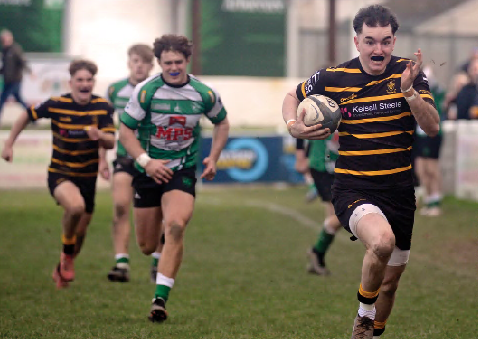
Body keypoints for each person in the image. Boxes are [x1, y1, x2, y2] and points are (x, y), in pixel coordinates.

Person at [282, 5, 440, 339]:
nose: (378, 50)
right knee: (382, 243)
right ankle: (363, 316)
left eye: (385, 42)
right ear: (357, 42)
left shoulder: (409, 73)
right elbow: (292, 95)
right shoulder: (333, 77)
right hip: (354, 187)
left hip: (399, 192)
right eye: (370, 41)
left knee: (390, 284)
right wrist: (293, 126)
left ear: (394, 40)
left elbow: (432, 126)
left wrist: (409, 91)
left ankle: (371, 330)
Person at [119, 34, 230, 322]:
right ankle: (159, 242)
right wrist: (146, 161)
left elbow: (222, 122)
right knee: (145, 246)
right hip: (148, 170)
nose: (173, 68)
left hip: (182, 169)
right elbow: (125, 131)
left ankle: (159, 299)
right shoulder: (146, 92)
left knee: (177, 225)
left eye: (178, 62)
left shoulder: (204, 93)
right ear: (159, 63)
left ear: (187, 61)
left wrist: (213, 157)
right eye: (167, 63)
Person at [1, 59, 115, 289]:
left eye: (89, 80)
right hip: (60, 172)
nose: (84, 84)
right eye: (80, 80)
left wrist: (100, 137)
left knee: (80, 233)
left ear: (94, 82)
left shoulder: (102, 107)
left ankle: (62, 266)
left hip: (88, 176)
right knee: (75, 207)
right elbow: (26, 115)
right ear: (71, 82)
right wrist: (9, 143)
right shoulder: (56, 104)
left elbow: (111, 141)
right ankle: (66, 255)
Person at [101, 44, 156, 283]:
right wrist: (102, 158)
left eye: (144, 61)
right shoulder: (115, 90)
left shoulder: (158, 90)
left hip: (153, 160)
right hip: (125, 158)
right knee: (121, 206)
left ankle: (158, 259)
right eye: (135, 61)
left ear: (151, 66)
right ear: (129, 63)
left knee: (157, 215)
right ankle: (121, 262)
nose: (139, 65)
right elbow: (105, 126)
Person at [296, 135, 342, 275]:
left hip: (341, 164)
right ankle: (318, 252)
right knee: (342, 213)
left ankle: (318, 254)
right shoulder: (321, 113)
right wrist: (300, 157)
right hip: (323, 166)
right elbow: (302, 126)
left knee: (336, 216)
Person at [413, 65, 445, 216]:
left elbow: (438, 92)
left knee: (432, 168)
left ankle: (436, 200)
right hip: (420, 135)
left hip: (432, 134)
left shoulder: (435, 92)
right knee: (420, 169)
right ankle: (429, 198)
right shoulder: (416, 91)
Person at [0, 29, 31, 125]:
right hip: (7, 80)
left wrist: (29, 71)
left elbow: (22, 61)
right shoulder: (5, 51)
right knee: (19, 99)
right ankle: (33, 116)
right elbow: (5, 67)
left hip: (15, 79)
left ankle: (32, 116)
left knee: (2, 98)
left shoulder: (15, 49)